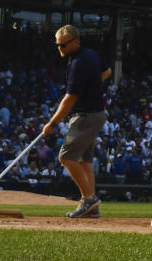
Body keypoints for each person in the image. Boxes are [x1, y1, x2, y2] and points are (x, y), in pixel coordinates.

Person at [41, 25, 112, 218]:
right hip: (95, 114)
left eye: (63, 45)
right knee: (84, 160)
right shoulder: (90, 55)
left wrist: (52, 123)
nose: (60, 48)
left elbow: (70, 98)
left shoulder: (78, 62)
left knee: (66, 157)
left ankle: (89, 199)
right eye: (57, 45)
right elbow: (107, 72)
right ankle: (92, 206)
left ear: (75, 41)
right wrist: (93, 84)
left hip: (85, 117)